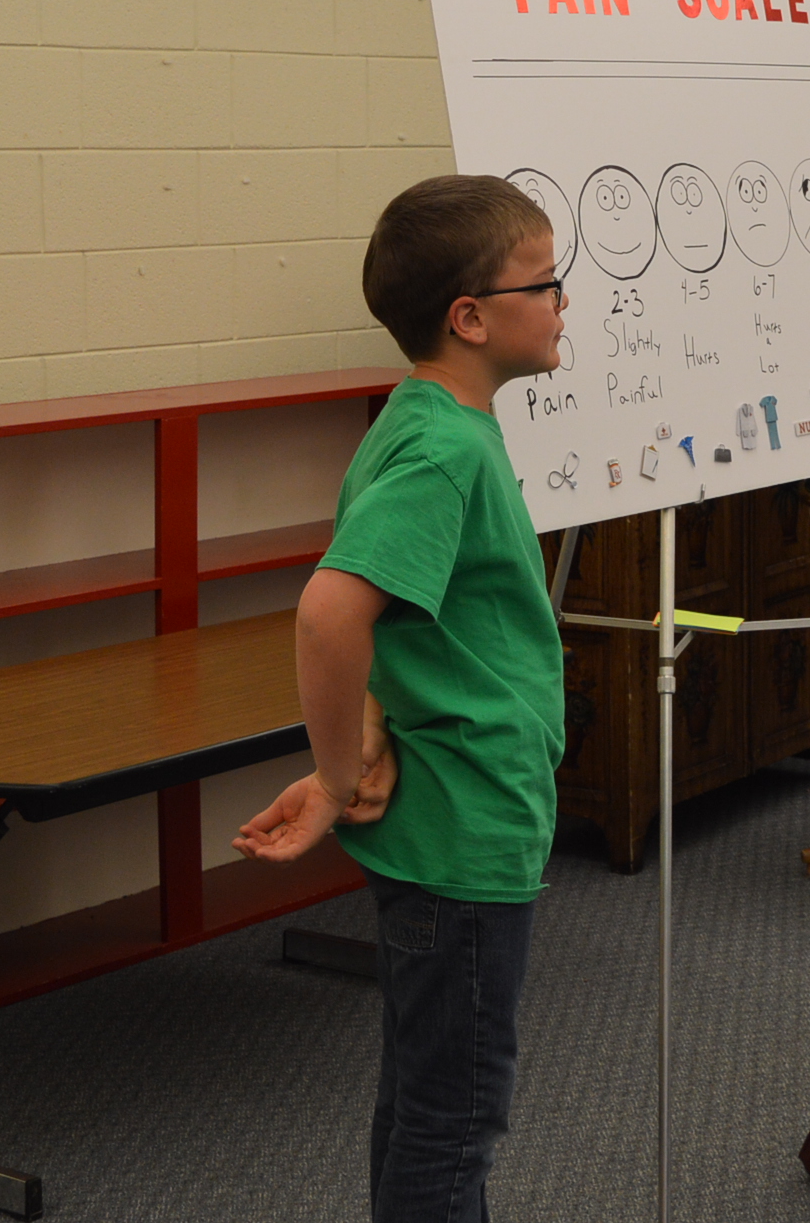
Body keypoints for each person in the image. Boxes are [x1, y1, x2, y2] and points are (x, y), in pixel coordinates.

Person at [234, 175, 569, 1221]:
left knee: (428, 1105)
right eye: (543, 282)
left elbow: (403, 617)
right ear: (470, 317)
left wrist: (367, 731)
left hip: (452, 818)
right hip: (463, 830)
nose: (562, 301)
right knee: (452, 1123)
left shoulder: (424, 418)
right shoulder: (442, 448)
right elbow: (330, 612)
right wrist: (336, 774)